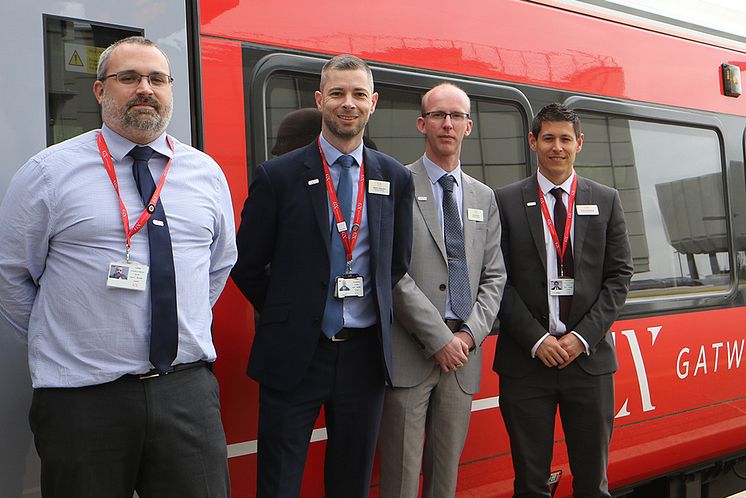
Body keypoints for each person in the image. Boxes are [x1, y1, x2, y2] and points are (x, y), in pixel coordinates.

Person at [0, 36, 236, 497]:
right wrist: (68, 337)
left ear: (170, 89)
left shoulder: (205, 173)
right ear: (100, 91)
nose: (144, 88)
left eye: (157, 79)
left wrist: (175, 321)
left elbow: (218, 264)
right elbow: (11, 275)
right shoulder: (49, 172)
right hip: (84, 400)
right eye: (128, 78)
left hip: (185, 392)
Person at [231, 54, 414, 498]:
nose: (347, 103)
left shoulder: (394, 176)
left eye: (357, 94)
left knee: (350, 482)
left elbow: (396, 263)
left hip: (364, 358)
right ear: (320, 100)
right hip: (297, 352)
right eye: (336, 93)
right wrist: (290, 311)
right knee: (279, 482)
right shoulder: (279, 175)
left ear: (374, 102)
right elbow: (248, 264)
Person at [494, 103, 633, 498]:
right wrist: (538, 340)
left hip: (588, 364)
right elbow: (496, 279)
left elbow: (619, 276)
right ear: (533, 141)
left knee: (592, 483)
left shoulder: (606, 200)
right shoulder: (504, 202)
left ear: (580, 144)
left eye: (565, 139)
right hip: (526, 362)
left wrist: (581, 337)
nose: (557, 147)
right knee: (531, 484)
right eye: (549, 138)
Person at [378, 83, 506, 498]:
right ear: (422, 123)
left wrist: (468, 336)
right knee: (400, 480)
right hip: (411, 353)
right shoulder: (395, 183)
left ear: (469, 126)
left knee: (444, 481)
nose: (447, 124)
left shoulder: (484, 197)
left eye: (456, 116)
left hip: (463, 357)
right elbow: (392, 271)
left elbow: (494, 277)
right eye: (438, 115)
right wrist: (438, 339)